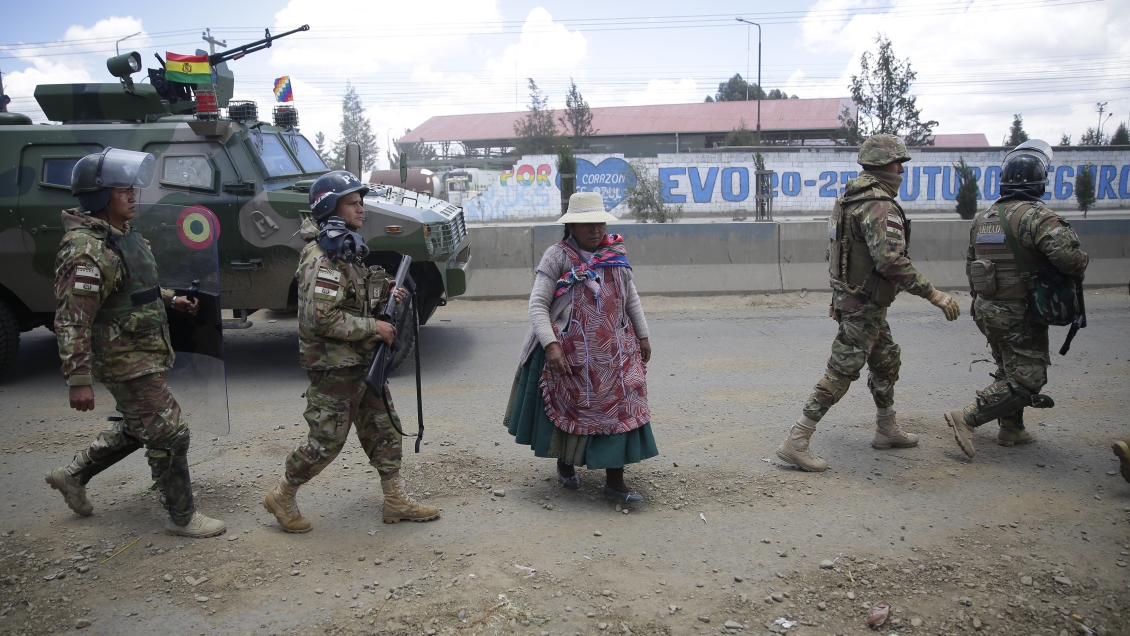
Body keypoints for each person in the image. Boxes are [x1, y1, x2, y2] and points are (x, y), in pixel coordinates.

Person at [44, 148, 226, 538]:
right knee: (169, 431)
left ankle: (72, 476)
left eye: (131, 188)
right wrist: (77, 379)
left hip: (144, 350)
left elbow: (131, 290)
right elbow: (73, 318)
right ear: (98, 196)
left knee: (136, 426)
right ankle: (181, 516)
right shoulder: (85, 249)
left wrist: (170, 298)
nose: (131, 195)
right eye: (121, 189)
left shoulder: (122, 237)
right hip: (123, 356)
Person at [262, 170, 438, 533]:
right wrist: (376, 327)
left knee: (384, 428)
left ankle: (394, 500)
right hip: (335, 367)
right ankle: (282, 495)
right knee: (326, 441)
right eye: (352, 202)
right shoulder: (322, 257)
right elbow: (321, 319)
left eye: (361, 201)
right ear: (331, 207)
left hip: (359, 363)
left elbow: (352, 300)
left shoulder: (344, 250)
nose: (361, 208)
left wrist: (386, 295)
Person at [777, 134, 962, 472]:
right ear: (882, 165)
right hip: (862, 304)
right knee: (842, 370)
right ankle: (797, 440)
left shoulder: (849, 198)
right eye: (898, 164)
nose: (902, 171)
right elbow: (890, 261)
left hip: (855, 299)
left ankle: (886, 428)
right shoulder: (878, 204)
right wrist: (934, 295)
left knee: (886, 360)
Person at [505, 191, 658, 502]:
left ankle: (615, 482)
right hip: (571, 354)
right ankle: (566, 463)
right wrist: (551, 345)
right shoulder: (557, 257)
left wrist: (642, 335)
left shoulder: (615, 254)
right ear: (571, 227)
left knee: (622, 411)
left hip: (615, 355)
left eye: (598, 223)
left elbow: (631, 297)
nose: (595, 230)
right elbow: (537, 305)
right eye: (586, 224)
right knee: (573, 410)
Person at [945, 140, 1088, 458]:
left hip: (986, 307)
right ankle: (967, 418)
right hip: (1019, 310)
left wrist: (979, 299)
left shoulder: (984, 217)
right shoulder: (1037, 217)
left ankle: (1011, 428)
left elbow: (971, 263)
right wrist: (1083, 259)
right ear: (1039, 181)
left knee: (1008, 367)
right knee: (1028, 377)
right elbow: (1068, 259)